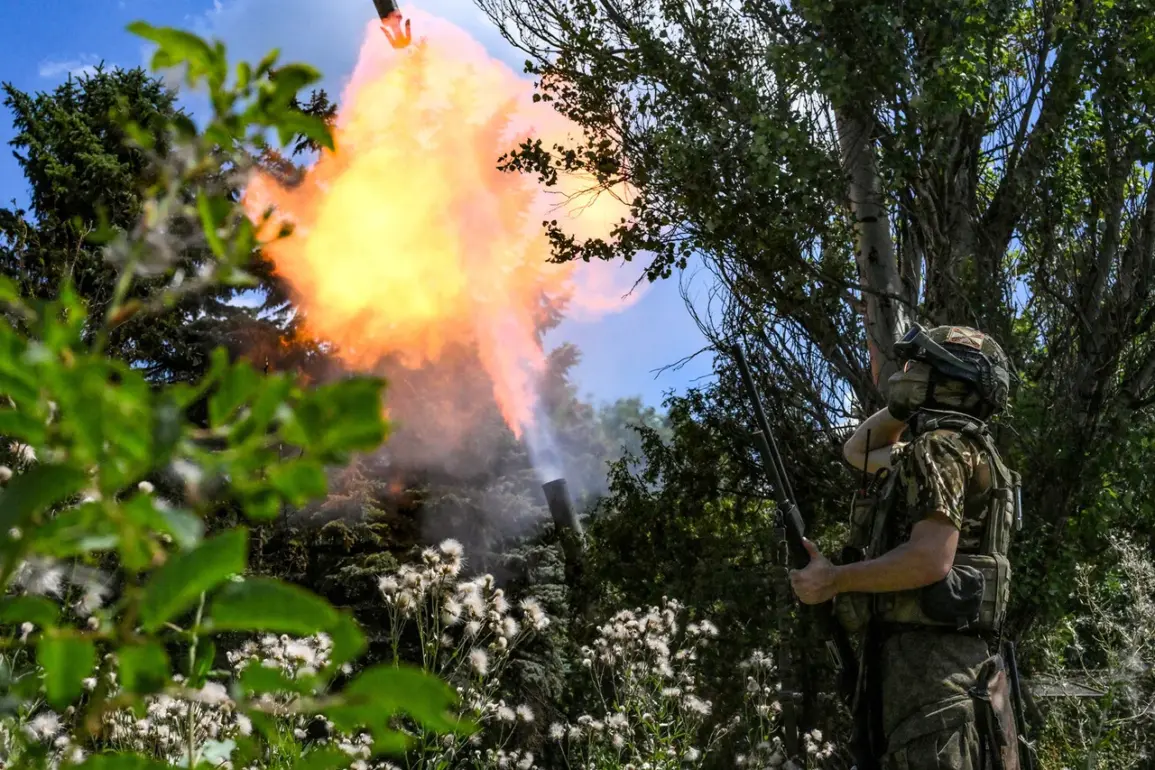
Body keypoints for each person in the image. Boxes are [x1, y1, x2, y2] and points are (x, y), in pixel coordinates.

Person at [789, 324, 1024, 769]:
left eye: (921, 365)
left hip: (931, 678)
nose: (907, 371)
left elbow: (930, 559)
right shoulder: (967, 448)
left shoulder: (940, 448)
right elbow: (859, 450)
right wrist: (902, 407)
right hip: (955, 670)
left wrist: (834, 580)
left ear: (953, 379)